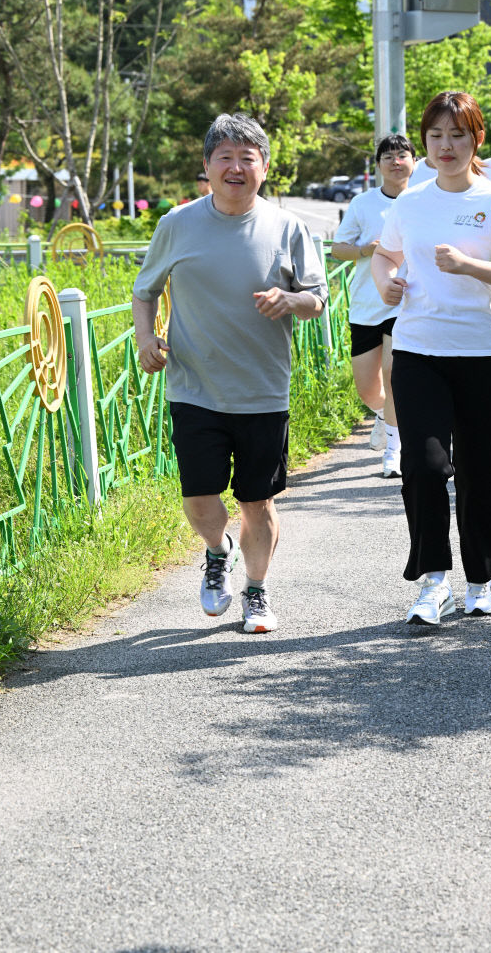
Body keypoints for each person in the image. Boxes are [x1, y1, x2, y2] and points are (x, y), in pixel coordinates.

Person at [133, 113, 328, 633]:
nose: (236, 167)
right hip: (194, 385)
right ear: (207, 165)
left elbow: (318, 298)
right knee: (199, 499)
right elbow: (144, 289)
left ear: (264, 168)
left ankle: (257, 592)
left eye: (248, 158)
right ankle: (218, 552)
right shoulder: (177, 224)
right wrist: (145, 338)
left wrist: (290, 299)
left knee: (256, 502)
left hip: (262, 390)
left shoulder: (287, 227)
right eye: (226, 157)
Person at [371, 91, 491, 626]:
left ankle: (481, 579)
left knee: (478, 469)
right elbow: (384, 252)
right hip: (419, 350)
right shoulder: (411, 202)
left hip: (484, 354)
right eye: (436, 135)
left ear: (477, 140)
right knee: (423, 464)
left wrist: (470, 265)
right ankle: (433, 580)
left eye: (457, 135)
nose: (446, 146)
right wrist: (386, 283)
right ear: (425, 142)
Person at [330, 134, 416, 477]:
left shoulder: (424, 200)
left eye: (403, 155)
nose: (396, 161)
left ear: (413, 161)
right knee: (367, 388)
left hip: (406, 303)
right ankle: (384, 415)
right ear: (378, 164)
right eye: (388, 156)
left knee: (394, 374)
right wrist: (366, 250)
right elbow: (338, 248)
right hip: (367, 303)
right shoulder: (363, 204)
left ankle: (394, 449)